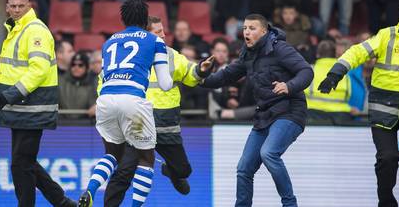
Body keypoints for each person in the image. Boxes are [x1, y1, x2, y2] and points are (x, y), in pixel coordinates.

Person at [199, 13, 314, 207]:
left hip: (290, 112)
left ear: (264, 30)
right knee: (244, 168)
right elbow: (225, 76)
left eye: (252, 28)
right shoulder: (248, 54)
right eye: (244, 28)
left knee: (268, 153)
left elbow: (307, 71)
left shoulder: (281, 49)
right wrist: (199, 74)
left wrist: (289, 85)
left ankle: (290, 204)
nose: (247, 32)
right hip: (265, 115)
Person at [318, 0, 399, 207]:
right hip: (383, 112)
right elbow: (357, 52)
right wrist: (336, 73)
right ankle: (386, 203)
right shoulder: (386, 35)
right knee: (388, 158)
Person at [104, 15, 212, 206]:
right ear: (145, 35)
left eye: (163, 30)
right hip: (138, 124)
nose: (163, 35)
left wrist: (202, 70)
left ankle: (169, 171)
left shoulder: (170, 54)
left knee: (183, 170)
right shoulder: (128, 57)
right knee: (123, 173)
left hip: (166, 126)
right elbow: (105, 84)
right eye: (157, 32)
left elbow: (190, 74)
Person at [78, 1, 173, 207]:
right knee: (146, 159)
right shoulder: (155, 41)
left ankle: (89, 191)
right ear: (144, 20)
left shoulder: (109, 42)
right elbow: (165, 85)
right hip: (133, 101)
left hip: (105, 100)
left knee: (112, 153)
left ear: (123, 19)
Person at [0, 0, 76, 207]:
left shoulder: (35, 30)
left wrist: (12, 93)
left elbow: (38, 70)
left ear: (29, 6)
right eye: (13, 6)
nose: (17, 10)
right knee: (25, 163)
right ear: (7, 8)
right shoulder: (17, 29)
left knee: (20, 164)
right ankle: (63, 202)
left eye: (21, 6)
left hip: (32, 107)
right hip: (21, 108)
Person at [305, 40, 357, 124]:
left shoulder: (309, 70)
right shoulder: (344, 72)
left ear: (317, 54)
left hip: (312, 115)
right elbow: (349, 94)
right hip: (340, 116)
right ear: (335, 54)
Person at [58, 52, 97, 118]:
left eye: (80, 65)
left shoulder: (93, 83)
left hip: (86, 124)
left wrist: (97, 106)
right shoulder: (60, 82)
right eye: (73, 64)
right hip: (62, 123)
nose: (76, 67)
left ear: (87, 68)